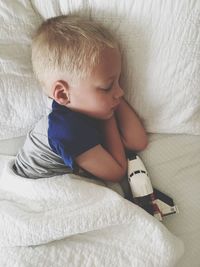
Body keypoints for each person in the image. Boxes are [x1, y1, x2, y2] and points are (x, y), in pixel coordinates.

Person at [14, 15, 147, 185]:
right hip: (36, 181)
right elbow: (117, 172)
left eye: (118, 81)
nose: (121, 92)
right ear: (62, 95)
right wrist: (108, 116)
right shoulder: (66, 130)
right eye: (107, 86)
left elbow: (138, 142)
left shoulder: (84, 104)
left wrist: (110, 101)